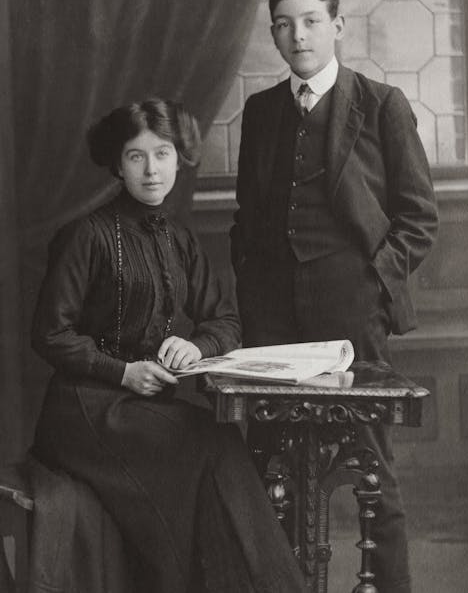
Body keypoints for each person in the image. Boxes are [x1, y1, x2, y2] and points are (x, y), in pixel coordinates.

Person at [31, 98, 306, 593]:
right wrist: (123, 372)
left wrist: (197, 345)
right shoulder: (87, 235)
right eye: (136, 157)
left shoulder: (177, 238)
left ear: (179, 159)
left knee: (211, 443)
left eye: (162, 154)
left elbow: (225, 319)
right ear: (118, 165)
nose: (151, 170)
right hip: (85, 410)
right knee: (209, 438)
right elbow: (49, 334)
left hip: (143, 408)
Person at [231, 0, 439, 593]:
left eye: (311, 21)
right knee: (271, 467)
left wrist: (373, 284)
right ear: (273, 34)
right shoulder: (262, 111)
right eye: (284, 24)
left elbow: (419, 219)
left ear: (337, 27)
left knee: (372, 468)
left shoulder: (380, 104)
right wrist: (252, 286)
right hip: (273, 324)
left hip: (353, 318)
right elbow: (247, 217)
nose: (298, 35)